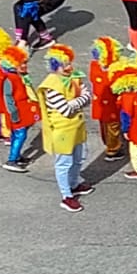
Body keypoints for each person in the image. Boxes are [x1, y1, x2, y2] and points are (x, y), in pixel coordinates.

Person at [36, 44, 93, 212]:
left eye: (69, 63)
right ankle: (66, 196)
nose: (69, 67)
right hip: (62, 131)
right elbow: (65, 109)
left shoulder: (74, 77)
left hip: (77, 127)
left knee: (79, 158)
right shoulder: (51, 86)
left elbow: (88, 97)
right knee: (64, 163)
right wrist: (79, 100)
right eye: (65, 64)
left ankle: (74, 183)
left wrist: (77, 100)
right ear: (55, 66)